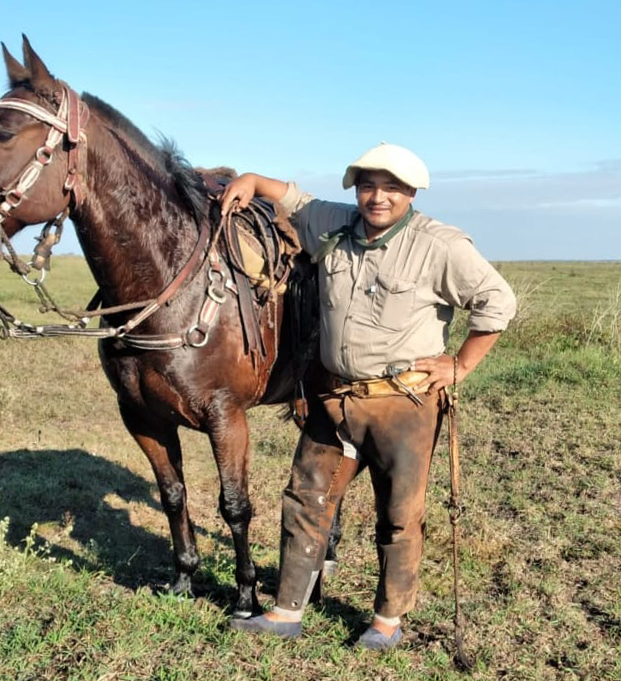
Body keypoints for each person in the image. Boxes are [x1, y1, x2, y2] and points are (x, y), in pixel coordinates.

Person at [221, 142, 516, 650]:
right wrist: (250, 178)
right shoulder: (335, 224)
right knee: (305, 498)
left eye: (391, 188)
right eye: (368, 186)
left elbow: (497, 301)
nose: (378, 197)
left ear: (411, 192)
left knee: (399, 513)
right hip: (333, 396)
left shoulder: (438, 245)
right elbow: (291, 198)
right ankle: (287, 610)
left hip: (403, 402)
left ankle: (386, 622)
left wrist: (459, 364)